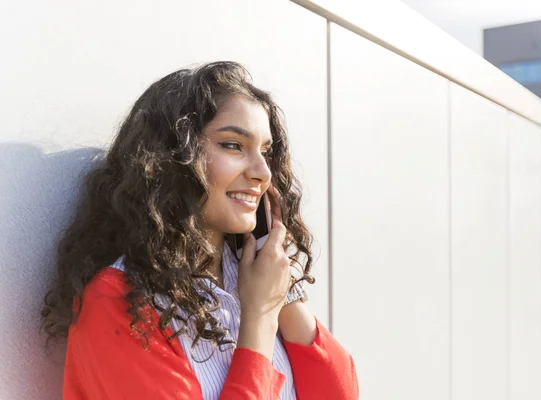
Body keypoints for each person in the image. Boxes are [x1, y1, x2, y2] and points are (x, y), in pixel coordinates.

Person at [41, 61, 359, 400]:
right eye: (233, 145)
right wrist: (260, 317)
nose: (263, 172)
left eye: (265, 151)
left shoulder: (252, 278)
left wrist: (281, 289)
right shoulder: (118, 301)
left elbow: (338, 393)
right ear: (173, 157)